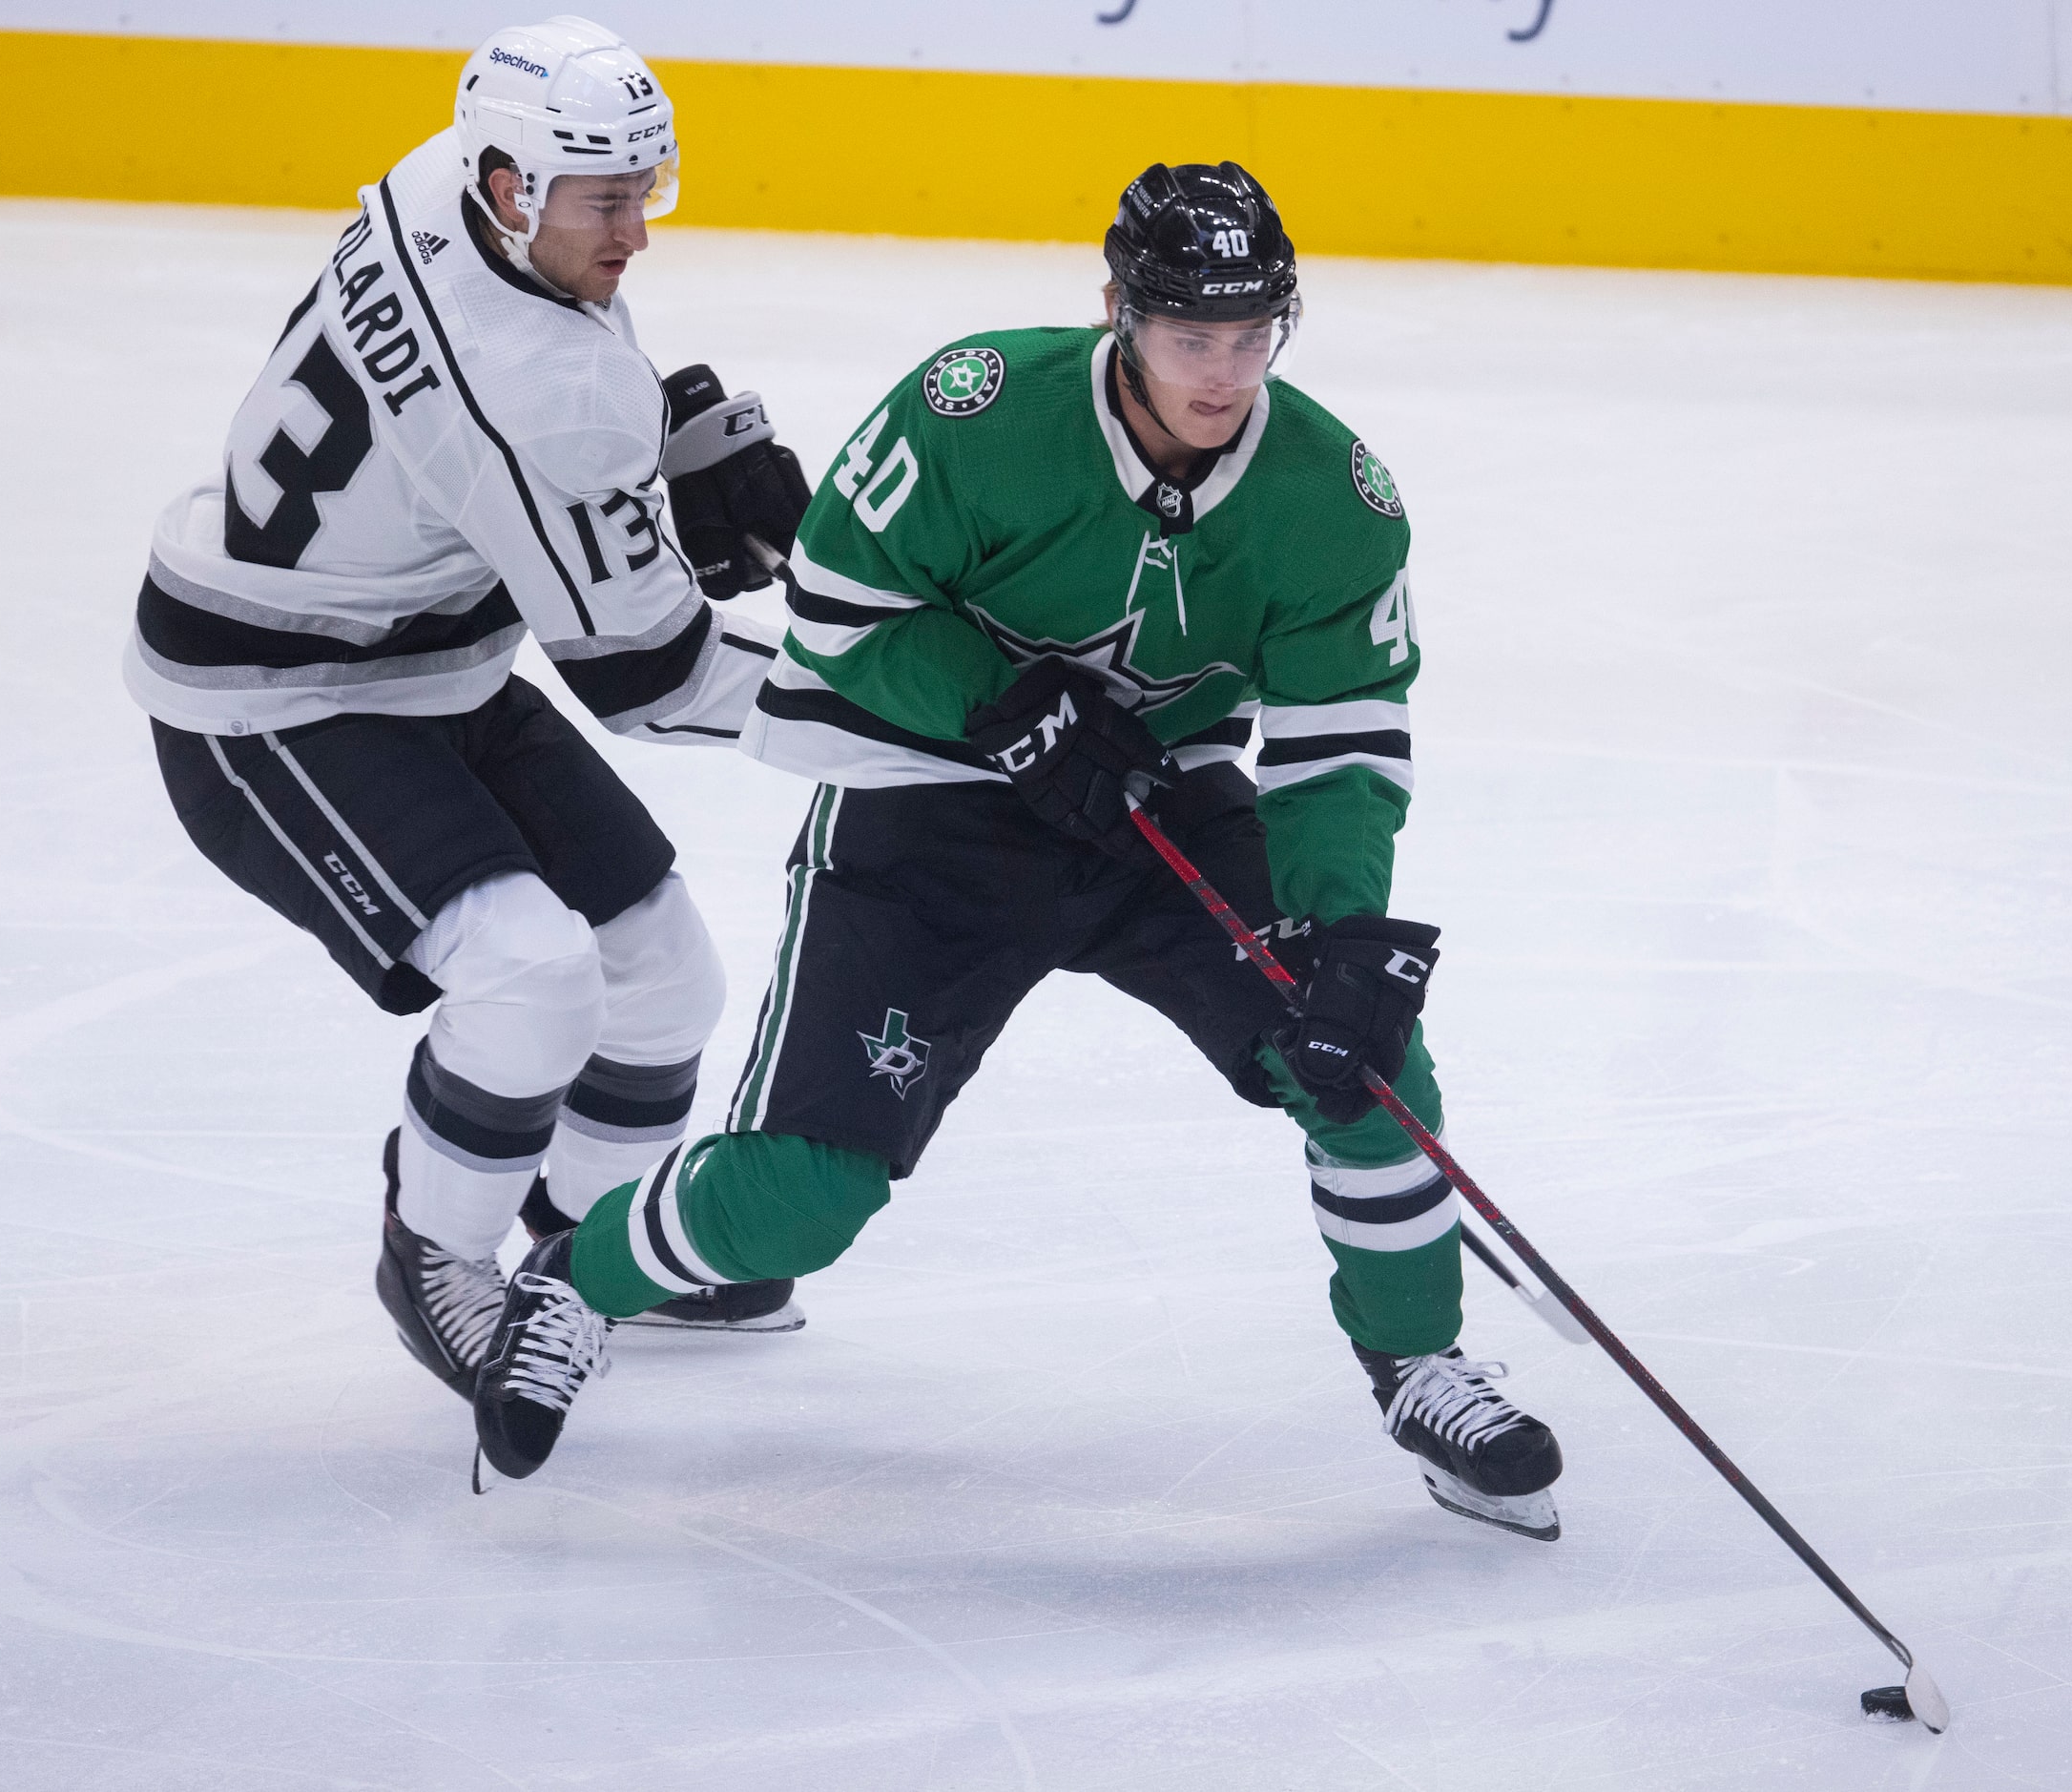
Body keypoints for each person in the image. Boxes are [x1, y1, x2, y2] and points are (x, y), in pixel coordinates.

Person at [470, 161, 1567, 1541]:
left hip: (1159, 812)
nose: (1221, 374)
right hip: (931, 806)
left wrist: (1339, 930)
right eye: (1187, 338)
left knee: (1364, 1058)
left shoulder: (1331, 496)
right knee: (802, 1199)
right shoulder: (977, 407)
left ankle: (1416, 1363)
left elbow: (1342, 745)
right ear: (1115, 310)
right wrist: (1002, 707)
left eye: (1249, 336)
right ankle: (579, 1276)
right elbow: (835, 609)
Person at [124, 16, 813, 1411]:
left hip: (421, 646)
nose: (634, 231)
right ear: (512, 187)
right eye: (603, 200)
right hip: (272, 696)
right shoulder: (545, 391)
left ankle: (591, 1242)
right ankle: (434, 1250)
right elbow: (652, 679)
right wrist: (893, 715)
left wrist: (637, 484)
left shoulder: (440, 171)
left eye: (644, 190)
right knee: (530, 975)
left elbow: (495, 424)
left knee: (664, 978)